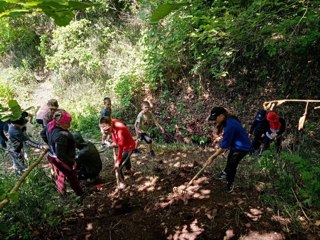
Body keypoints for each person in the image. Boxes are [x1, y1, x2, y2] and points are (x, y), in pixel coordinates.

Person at [206, 107, 252, 193]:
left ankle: (230, 183)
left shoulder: (230, 125)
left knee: (232, 165)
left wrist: (212, 157)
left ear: (221, 116)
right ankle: (225, 172)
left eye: (215, 119)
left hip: (243, 147)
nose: (215, 121)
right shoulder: (229, 119)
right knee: (230, 160)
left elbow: (223, 147)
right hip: (235, 145)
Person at [40, 110, 83, 196]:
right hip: (61, 159)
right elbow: (61, 154)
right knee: (71, 175)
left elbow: (42, 134)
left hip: (52, 155)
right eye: (67, 123)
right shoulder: (61, 136)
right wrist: (71, 161)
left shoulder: (50, 124)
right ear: (60, 123)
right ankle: (79, 193)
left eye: (69, 122)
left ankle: (62, 193)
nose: (69, 125)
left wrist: (49, 144)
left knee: (59, 174)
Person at [99, 116, 136, 183]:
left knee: (118, 166)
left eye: (107, 130)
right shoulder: (112, 121)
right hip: (124, 145)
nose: (106, 131)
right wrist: (114, 141)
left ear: (110, 124)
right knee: (126, 158)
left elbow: (120, 147)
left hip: (129, 147)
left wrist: (117, 162)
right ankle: (129, 170)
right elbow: (112, 131)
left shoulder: (120, 130)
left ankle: (122, 182)